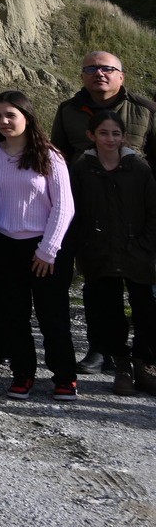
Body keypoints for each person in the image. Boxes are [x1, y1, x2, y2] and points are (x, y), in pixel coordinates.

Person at [0, 91, 76, 399]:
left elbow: (64, 206)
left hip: (44, 247)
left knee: (53, 315)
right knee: (13, 314)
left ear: (27, 117)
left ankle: (64, 376)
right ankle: (23, 375)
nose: (3, 122)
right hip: (4, 244)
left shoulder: (49, 155)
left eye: (11, 115)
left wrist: (48, 249)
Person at [70, 111, 156, 395]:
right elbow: (74, 211)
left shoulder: (139, 168)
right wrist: (84, 245)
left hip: (138, 253)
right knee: (109, 312)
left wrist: (144, 245)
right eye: (103, 133)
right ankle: (121, 366)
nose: (110, 139)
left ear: (123, 136)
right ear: (91, 136)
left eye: (115, 133)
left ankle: (145, 364)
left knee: (146, 310)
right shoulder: (82, 169)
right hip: (99, 253)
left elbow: (153, 210)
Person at [51, 51, 156, 166]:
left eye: (107, 69)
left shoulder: (147, 110)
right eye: (91, 69)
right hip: (82, 182)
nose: (99, 73)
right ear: (82, 77)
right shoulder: (67, 110)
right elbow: (58, 157)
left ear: (121, 77)